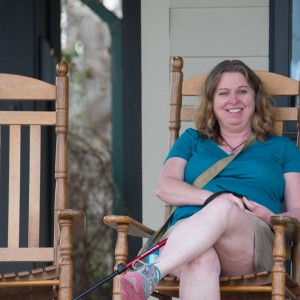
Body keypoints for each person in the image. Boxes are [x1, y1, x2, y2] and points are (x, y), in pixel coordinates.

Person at [120, 60, 300, 300]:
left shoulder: (283, 148)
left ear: (255, 98)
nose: (233, 100)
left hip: (249, 240)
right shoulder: (192, 139)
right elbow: (165, 187)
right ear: (211, 103)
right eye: (223, 93)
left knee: (224, 209)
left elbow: (298, 210)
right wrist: (214, 197)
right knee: (200, 259)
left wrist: (268, 216)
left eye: (242, 91)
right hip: (184, 237)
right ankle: (153, 272)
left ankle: (154, 270)